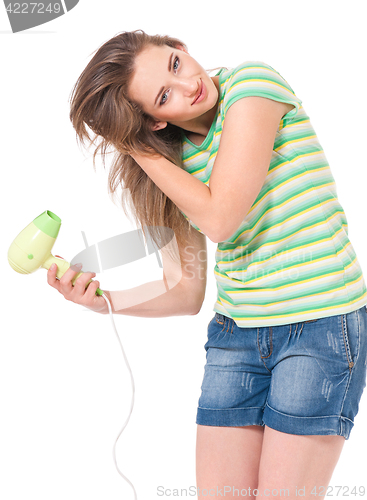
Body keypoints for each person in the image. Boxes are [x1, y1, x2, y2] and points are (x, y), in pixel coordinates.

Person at [47, 30, 367, 498]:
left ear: (178, 45)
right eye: (163, 96)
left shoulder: (252, 86)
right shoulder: (174, 165)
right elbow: (185, 290)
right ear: (154, 121)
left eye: (174, 64)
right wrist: (105, 303)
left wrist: (135, 146)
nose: (188, 84)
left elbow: (221, 218)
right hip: (236, 336)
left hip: (320, 327)